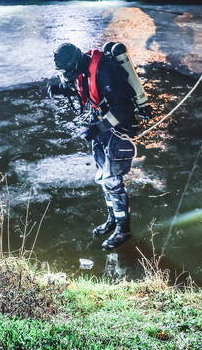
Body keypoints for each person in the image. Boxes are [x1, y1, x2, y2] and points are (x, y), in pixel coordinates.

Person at [48, 42, 139, 250]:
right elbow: (87, 92)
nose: (68, 75)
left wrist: (99, 127)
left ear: (76, 62)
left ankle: (123, 229)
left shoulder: (105, 71)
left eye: (69, 71)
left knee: (113, 180)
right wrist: (61, 90)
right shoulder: (83, 69)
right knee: (104, 179)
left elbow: (124, 108)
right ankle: (112, 220)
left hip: (118, 130)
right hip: (102, 129)